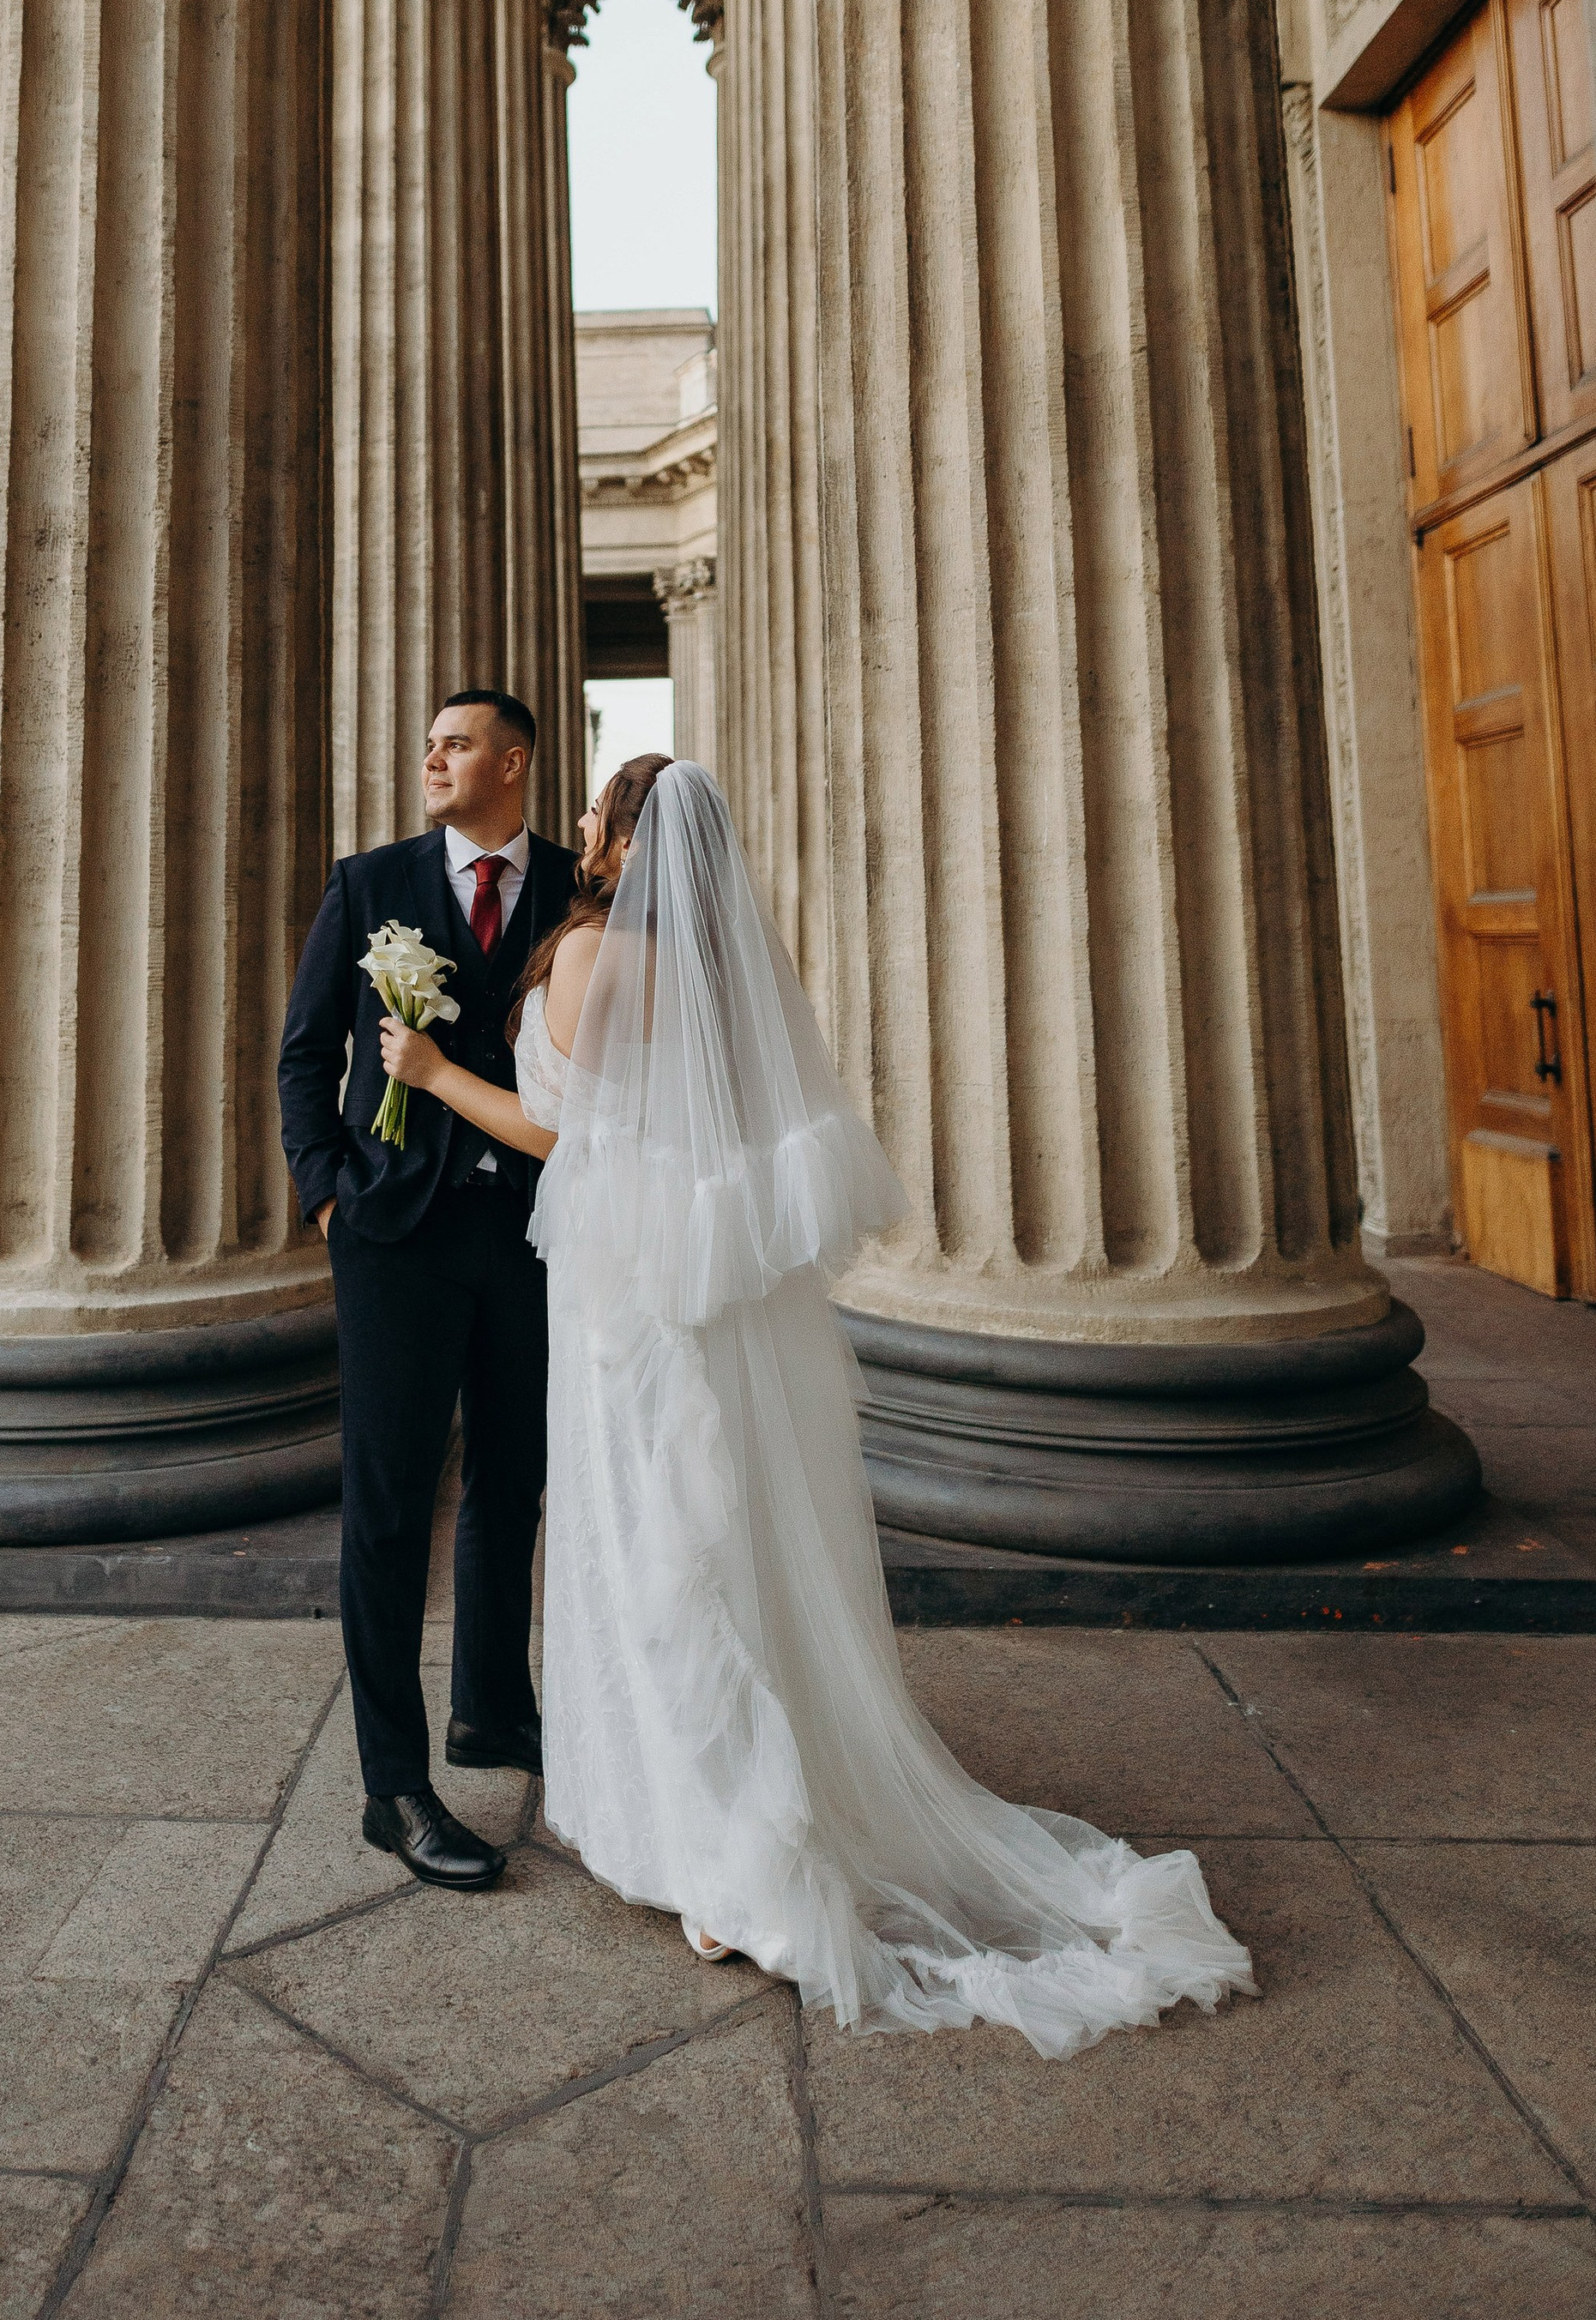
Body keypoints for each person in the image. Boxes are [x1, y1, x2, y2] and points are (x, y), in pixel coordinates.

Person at [377, 756, 1256, 2056]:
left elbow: (575, 1138)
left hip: (624, 1301)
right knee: (718, 1543)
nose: (574, 834)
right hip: (706, 1292)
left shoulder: (590, 959)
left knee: (655, 1555)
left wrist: (435, 1073)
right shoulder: (725, 974)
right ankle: (733, 1822)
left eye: (591, 818)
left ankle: (728, 1859)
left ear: (626, 838)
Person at [277, 691, 576, 1895]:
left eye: (456, 744)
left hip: (533, 1232)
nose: (432, 760)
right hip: (393, 1233)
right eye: (429, 745)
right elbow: (308, 1052)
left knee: (515, 1479)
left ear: (514, 763)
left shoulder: (572, 888)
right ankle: (392, 1784)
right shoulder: (369, 882)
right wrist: (327, 1195)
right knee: (391, 1505)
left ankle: (493, 1712)